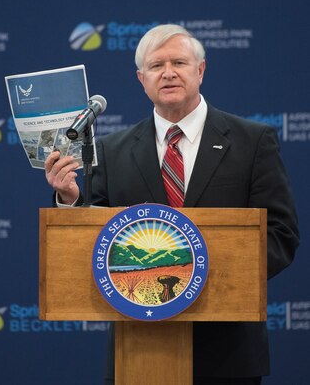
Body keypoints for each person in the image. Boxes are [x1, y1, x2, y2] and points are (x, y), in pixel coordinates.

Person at [45, 24, 299, 385]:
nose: (168, 73)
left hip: (228, 353)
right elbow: (94, 237)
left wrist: (198, 278)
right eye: (156, 65)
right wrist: (70, 200)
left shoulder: (252, 141)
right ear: (141, 78)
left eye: (179, 62)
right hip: (137, 350)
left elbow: (281, 234)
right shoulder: (111, 151)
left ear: (201, 70)